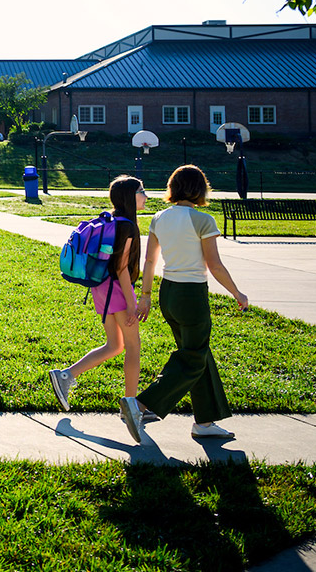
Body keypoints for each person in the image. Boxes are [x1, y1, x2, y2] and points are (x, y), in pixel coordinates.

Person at [130, 164, 252, 442]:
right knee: (193, 356)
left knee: (199, 355)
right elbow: (215, 265)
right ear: (199, 189)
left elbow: (149, 261)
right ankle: (140, 405)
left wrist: (145, 297)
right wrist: (237, 293)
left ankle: (205, 423)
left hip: (167, 294)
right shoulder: (203, 220)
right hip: (191, 295)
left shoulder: (160, 217)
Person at [47, 176, 146, 421]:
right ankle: (130, 406)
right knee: (133, 347)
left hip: (100, 289)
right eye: (141, 191)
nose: (145, 196)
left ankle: (66, 376)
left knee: (115, 345)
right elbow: (122, 268)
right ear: (129, 197)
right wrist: (133, 304)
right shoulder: (128, 226)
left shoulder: (112, 221)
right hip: (119, 291)